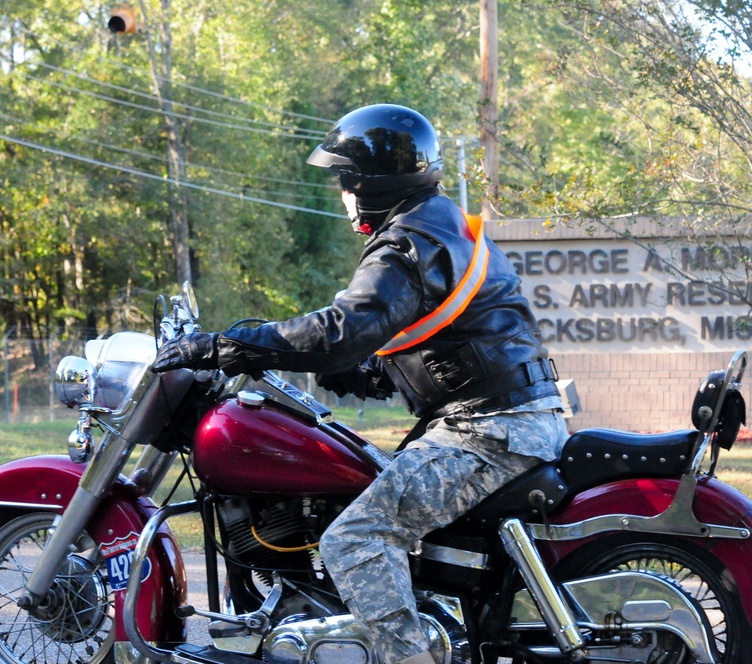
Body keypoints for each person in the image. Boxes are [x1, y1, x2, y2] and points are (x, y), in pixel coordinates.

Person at [152, 103, 568, 664]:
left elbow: (344, 327)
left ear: (371, 183)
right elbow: (445, 329)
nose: (342, 193)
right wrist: (368, 370)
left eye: (345, 181)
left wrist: (230, 343)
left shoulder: (405, 244)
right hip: (503, 419)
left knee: (355, 539)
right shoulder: (439, 221)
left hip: (489, 433)